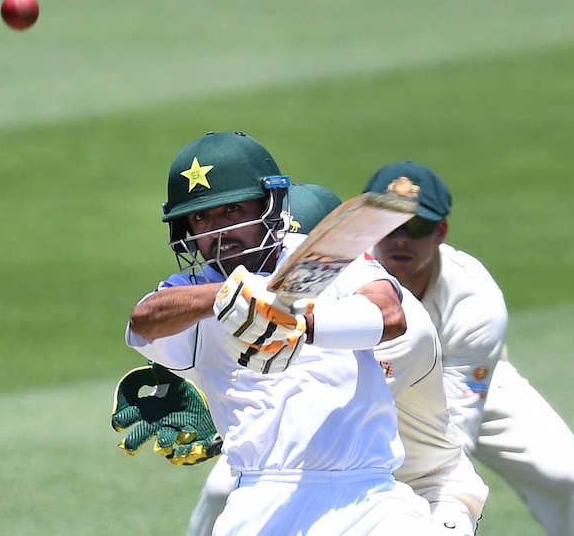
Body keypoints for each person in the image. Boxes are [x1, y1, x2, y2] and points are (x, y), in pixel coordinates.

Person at [115, 179, 489, 536]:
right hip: (330, 476)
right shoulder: (265, 293)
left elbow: (322, 405)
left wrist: (221, 418)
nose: (283, 283)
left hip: (428, 485)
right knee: (222, 493)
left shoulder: (406, 330)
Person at [363, 161, 574, 536]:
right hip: (372, 385)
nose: (400, 239)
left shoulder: (475, 299)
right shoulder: (344, 268)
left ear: (441, 232)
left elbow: (455, 425)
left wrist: (445, 494)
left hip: (465, 384)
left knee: (572, 478)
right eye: (389, 224)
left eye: (416, 227)